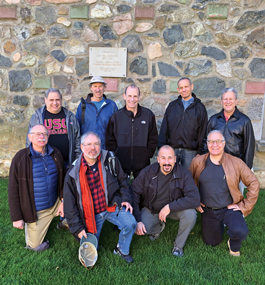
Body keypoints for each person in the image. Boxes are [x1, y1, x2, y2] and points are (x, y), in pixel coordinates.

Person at [63, 132, 137, 263]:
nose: (93, 148)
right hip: (90, 214)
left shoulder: (110, 159)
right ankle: (83, 233)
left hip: (111, 206)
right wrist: (78, 228)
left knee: (131, 223)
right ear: (81, 147)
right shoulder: (73, 172)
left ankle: (121, 249)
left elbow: (123, 181)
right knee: (88, 258)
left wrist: (126, 199)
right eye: (89, 144)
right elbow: (69, 205)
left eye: (96, 144)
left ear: (100, 145)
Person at [189, 130, 259, 256]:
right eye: (211, 141)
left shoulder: (236, 162)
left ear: (224, 143)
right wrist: (195, 200)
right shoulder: (198, 162)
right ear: (207, 143)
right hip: (208, 210)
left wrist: (244, 206)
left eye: (218, 141)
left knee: (240, 231)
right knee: (211, 242)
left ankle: (233, 244)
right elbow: (189, 182)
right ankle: (219, 225)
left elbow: (254, 183)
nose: (214, 145)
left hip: (229, 208)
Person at [132, 145, 200, 257]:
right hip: (152, 209)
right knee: (140, 228)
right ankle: (157, 228)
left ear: (175, 159)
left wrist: (169, 207)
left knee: (191, 214)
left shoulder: (184, 173)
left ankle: (178, 246)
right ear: (158, 159)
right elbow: (134, 192)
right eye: (163, 158)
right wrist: (138, 220)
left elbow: (195, 199)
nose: (167, 162)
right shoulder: (148, 172)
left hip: (174, 209)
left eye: (170, 158)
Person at [8, 125, 65, 251]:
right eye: (37, 134)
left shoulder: (56, 153)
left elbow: (64, 179)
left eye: (44, 134)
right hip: (36, 211)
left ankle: (65, 222)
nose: (41, 137)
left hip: (55, 203)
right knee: (34, 247)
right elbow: (13, 189)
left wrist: (63, 201)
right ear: (30, 137)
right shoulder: (21, 158)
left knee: (79, 203)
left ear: (48, 136)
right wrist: (16, 217)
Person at [204, 87, 255, 193]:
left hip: (236, 166)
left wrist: (246, 169)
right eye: (225, 99)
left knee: (236, 195)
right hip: (216, 164)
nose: (228, 102)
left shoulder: (244, 121)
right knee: (217, 193)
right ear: (221, 102)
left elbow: (249, 146)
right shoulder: (214, 120)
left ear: (236, 101)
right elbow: (206, 142)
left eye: (231, 99)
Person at [105, 84, 158, 178]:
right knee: (122, 191)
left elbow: (153, 137)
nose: (132, 99)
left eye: (135, 96)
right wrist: (116, 155)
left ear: (139, 97)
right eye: (129, 96)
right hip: (121, 164)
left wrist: (147, 154)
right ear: (124, 96)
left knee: (142, 191)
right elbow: (110, 139)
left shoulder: (148, 115)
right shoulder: (116, 117)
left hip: (142, 164)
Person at [158, 77, 208, 169]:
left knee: (189, 178)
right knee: (171, 178)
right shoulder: (172, 106)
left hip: (191, 152)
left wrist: (200, 152)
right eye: (181, 87)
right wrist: (161, 148)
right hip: (172, 150)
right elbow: (164, 129)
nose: (184, 90)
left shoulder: (200, 108)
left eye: (186, 86)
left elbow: (203, 131)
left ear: (191, 87)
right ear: (178, 89)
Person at [26, 88, 81, 167]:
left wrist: (76, 162)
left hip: (67, 164)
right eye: (51, 100)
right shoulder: (37, 118)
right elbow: (29, 141)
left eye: (57, 100)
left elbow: (77, 141)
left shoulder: (70, 117)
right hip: (45, 164)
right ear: (45, 100)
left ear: (61, 100)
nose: (55, 103)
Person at [76, 76, 118, 149]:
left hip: (105, 148)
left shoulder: (111, 105)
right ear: (91, 88)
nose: (98, 89)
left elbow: (117, 128)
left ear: (105, 87)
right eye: (95, 86)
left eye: (100, 86)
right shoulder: (83, 105)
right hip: (88, 149)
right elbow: (77, 128)